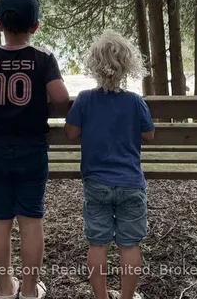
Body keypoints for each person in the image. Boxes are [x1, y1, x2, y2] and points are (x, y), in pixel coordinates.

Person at [0, 0, 70, 299]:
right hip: (31, 150)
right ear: (35, 26)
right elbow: (62, 98)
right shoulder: (43, 58)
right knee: (31, 220)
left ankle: (5, 287)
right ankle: (30, 290)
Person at [64, 30, 155, 299]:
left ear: (93, 65)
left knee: (98, 244)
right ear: (128, 66)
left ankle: (102, 297)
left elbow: (71, 133)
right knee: (130, 245)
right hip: (130, 183)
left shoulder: (85, 99)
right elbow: (149, 135)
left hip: (96, 183)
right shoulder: (135, 101)